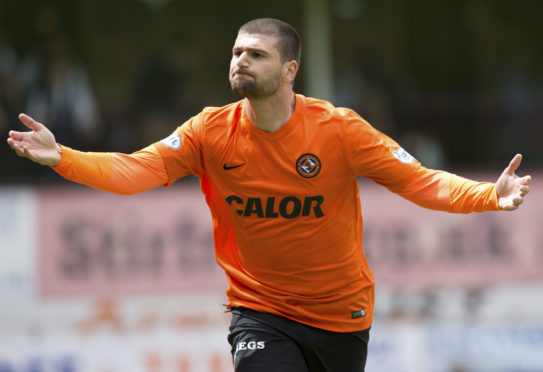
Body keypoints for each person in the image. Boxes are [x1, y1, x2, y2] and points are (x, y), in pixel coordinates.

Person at [6, 18, 531, 372]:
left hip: (341, 314)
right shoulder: (209, 131)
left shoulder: (339, 130)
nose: (240, 61)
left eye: (256, 54)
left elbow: (421, 180)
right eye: (236, 52)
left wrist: (488, 196)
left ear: (289, 71)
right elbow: (132, 171)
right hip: (259, 310)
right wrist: (63, 157)